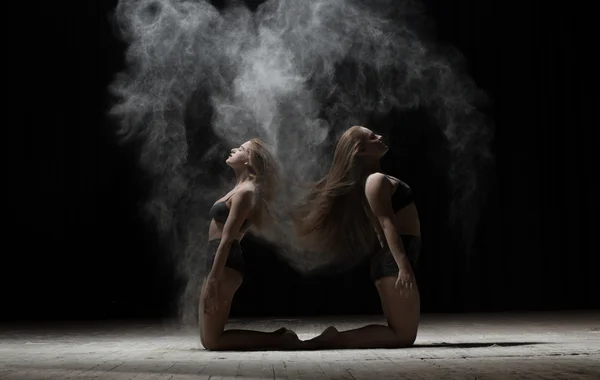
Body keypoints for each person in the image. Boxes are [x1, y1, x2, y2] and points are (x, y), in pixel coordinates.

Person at [294, 125, 421, 349]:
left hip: (393, 258)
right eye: (373, 137)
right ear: (360, 151)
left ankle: (335, 339)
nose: (381, 136)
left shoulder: (376, 180)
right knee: (403, 336)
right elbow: (386, 224)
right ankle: (335, 339)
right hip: (395, 260)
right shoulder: (375, 181)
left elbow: (381, 232)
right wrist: (404, 266)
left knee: (401, 333)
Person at [200, 138, 302, 351]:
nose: (233, 149)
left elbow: (228, 238)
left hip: (226, 260)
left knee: (212, 341)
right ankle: (278, 337)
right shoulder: (239, 189)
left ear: (249, 161)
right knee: (208, 338)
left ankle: (279, 340)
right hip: (218, 257)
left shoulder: (247, 192)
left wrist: (213, 279)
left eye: (241, 149)